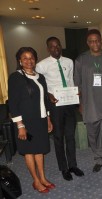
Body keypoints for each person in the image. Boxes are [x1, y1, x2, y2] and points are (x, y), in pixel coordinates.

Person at [36, 37, 84, 181]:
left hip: (69, 103)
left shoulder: (69, 62)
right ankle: (63, 168)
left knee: (70, 136)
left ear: (61, 46)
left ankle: (73, 165)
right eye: (52, 46)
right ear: (48, 48)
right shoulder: (41, 65)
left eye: (57, 46)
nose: (55, 48)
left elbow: (70, 80)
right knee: (58, 137)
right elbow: (39, 86)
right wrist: (48, 94)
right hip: (55, 105)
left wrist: (76, 92)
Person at [8, 47, 54, 193]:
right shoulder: (16, 77)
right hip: (25, 122)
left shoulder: (40, 77)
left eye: (32, 57)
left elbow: (44, 100)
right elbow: (13, 103)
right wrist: (20, 125)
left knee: (40, 150)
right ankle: (35, 181)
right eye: (25, 58)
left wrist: (48, 118)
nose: (29, 60)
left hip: (40, 120)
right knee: (29, 151)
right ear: (20, 61)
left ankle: (43, 178)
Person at [74, 29, 102, 172]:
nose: (95, 43)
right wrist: (80, 103)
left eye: (97, 40)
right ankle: (98, 159)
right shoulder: (81, 59)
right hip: (90, 103)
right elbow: (77, 84)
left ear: (101, 41)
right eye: (92, 41)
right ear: (88, 43)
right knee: (93, 133)